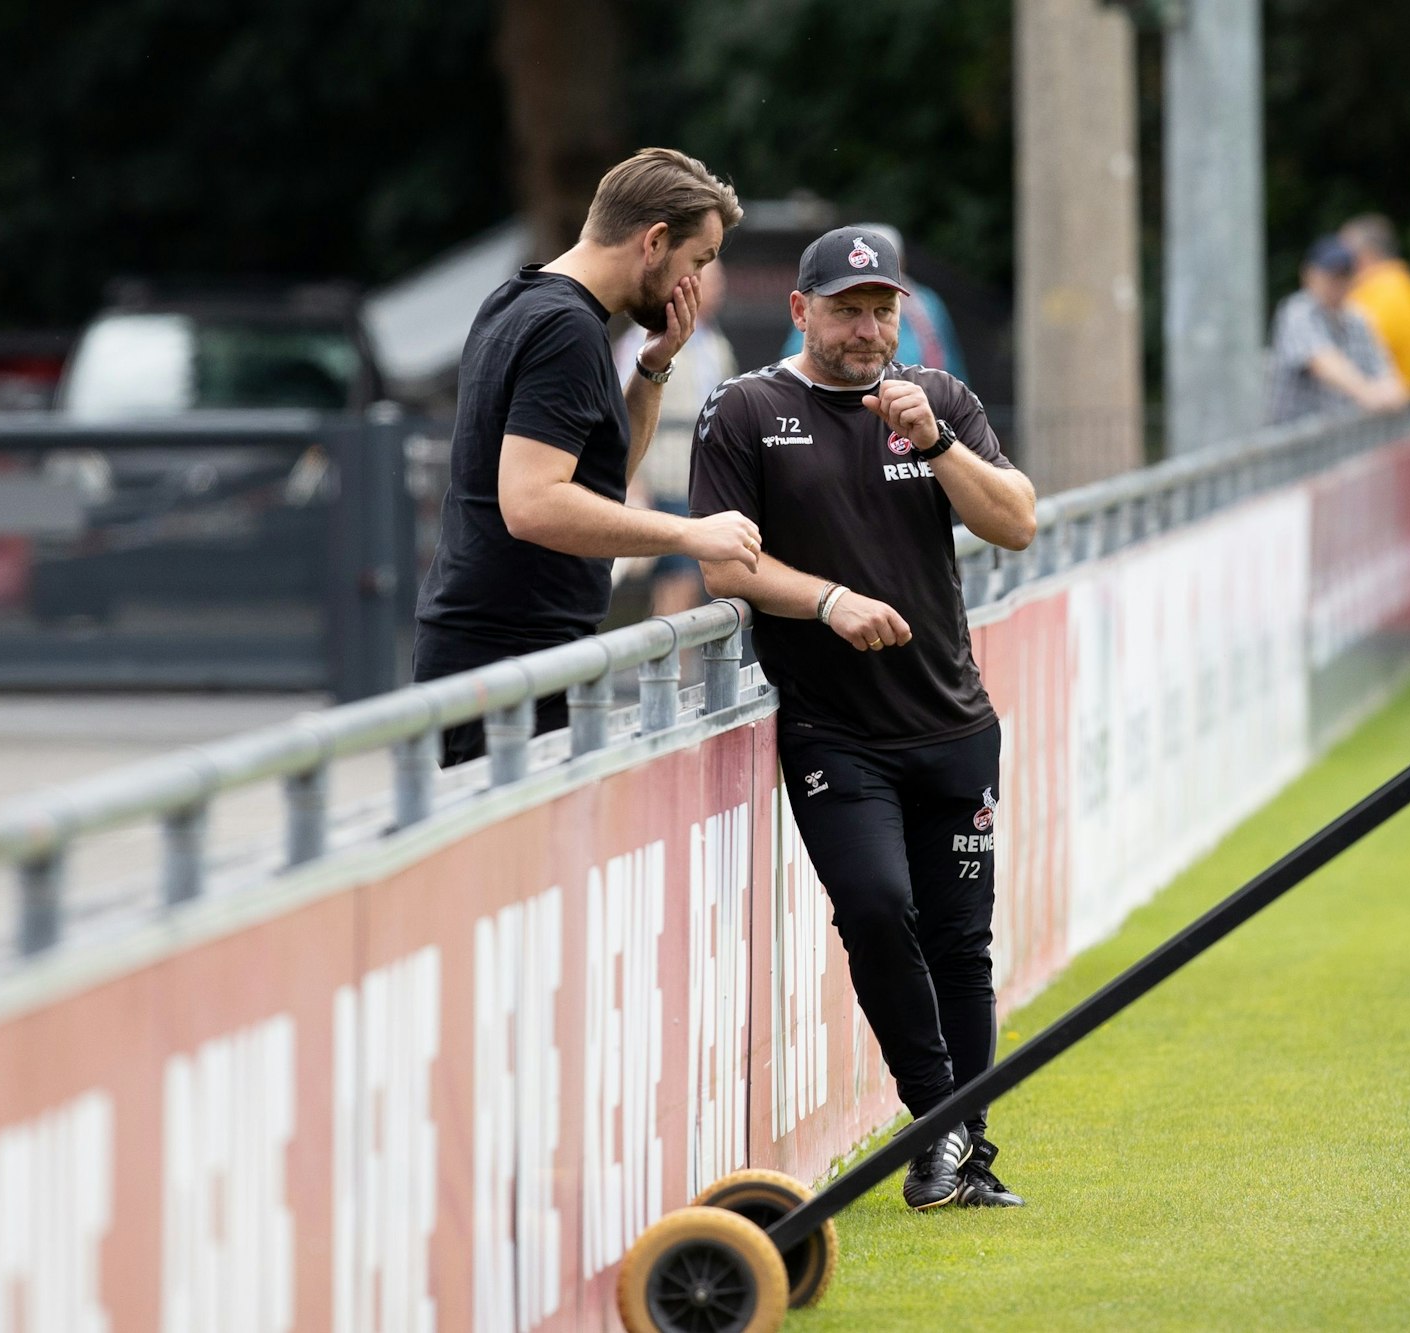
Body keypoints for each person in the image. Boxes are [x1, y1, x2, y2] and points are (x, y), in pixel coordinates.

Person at [690, 226, 1038, 1211]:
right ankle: (943, 1125)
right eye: (845, 308)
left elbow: (1013, 520)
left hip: (954, 724)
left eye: (880, 309)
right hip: (835, 733)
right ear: (799, 310)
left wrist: (931, 440)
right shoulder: (748, 410)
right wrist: (828, 600)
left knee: (961, 946)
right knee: (880, 909)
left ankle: (956, 1154)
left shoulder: (941, 403)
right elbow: (725, 564)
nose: (865, 327)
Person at [413, 148, 762, 764]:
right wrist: (690, 533)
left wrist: (652, 369)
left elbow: (597, 488)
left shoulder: (524, 300)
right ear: (655, 241)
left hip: (506, 651)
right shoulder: (565, 330)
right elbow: (534, 504)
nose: (698, 285)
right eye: (698, 261)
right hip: (508, 662)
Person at [613, 259, 737, 616]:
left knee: (683, 582)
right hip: (660, 481)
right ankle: (669, 670)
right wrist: (633, 482)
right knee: (677, 580)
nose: (718, 289)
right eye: (710, 282)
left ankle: (671, 668)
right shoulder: (642, 338)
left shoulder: (715, 341)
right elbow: (623, 410)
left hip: (696, 481)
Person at [777, 222, 969, 379]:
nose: (869, 332)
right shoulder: (823, 299)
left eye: (884, 310)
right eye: (848, 310)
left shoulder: (926, 303)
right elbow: (801, 355)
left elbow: (950, 361)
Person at [1265, 235, 1408, 425]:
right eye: (1331, 275)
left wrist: (1386, 393)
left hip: (1335, 443)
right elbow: (1323, 362)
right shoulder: (1297, 312)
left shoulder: (1357, 318)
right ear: (1309, 274)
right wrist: (1369, 393)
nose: (1338, 284)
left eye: (1344, 275)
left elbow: (1390, 380)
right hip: (1294, 445)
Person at [1340, 213, 1410, 397]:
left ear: (1364, 255)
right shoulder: (1398, 284)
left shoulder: (1384, 292)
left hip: (1383, 411)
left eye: (1342, 254)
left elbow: (1354, 352)